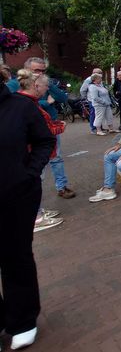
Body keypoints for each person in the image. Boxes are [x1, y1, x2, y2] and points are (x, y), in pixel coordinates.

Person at [0, 64, 55, 350]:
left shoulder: (20, 107)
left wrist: (29, 173)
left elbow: (45, 141)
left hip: (15, 195)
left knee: (15, 256)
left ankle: (22, 319)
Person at [7, 57, 76, 199]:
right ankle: (34, 205)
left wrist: (47, 85)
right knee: (35, 163)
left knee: (56, 157)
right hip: (30, 130)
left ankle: (61, 187)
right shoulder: (14, 84)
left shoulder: (46, 82)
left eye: (43, 70)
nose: (40, 73)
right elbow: (17, 103)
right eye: (36, 70)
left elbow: (62, 98)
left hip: (50, 125)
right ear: (26, 70)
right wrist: (45, 102)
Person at [15, 69, 65, 232]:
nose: (45, 91)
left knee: (36, 181)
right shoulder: (28, 104)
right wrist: (59, 127)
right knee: (33, 182)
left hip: (30, 152)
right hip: (32, 153)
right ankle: (35, 218)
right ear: (36, 86)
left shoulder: (24, 102)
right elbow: (40, 132)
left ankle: (37, 211)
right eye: (44, 87)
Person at [80, 68, 103, 134]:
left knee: (98, 114)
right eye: (99, 73)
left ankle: (99, 127)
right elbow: (82, 90)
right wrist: (86, 98)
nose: (101, 75)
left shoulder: (99, 79)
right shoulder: (89, 80)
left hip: (99, 99)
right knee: (93, 114)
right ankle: (93, 128)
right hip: (92, 100)